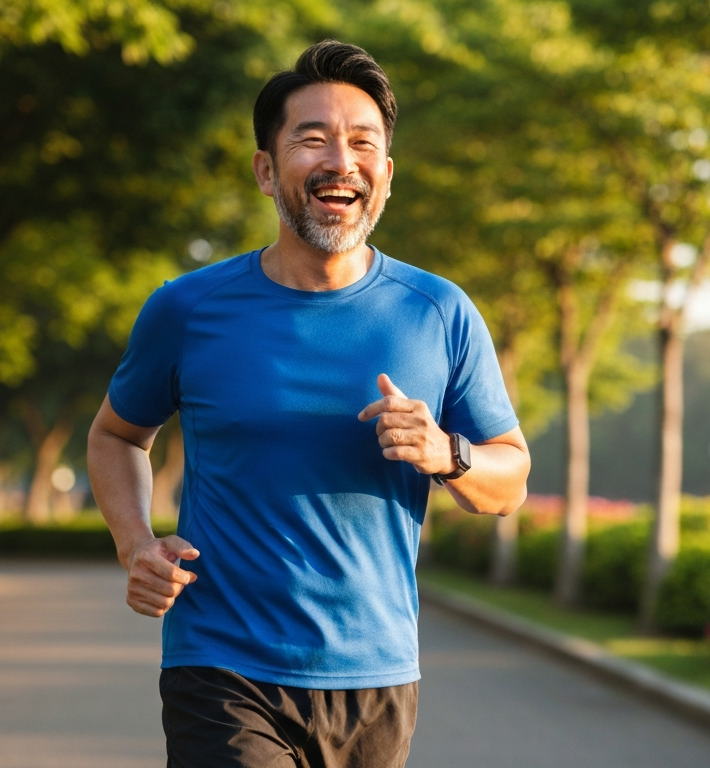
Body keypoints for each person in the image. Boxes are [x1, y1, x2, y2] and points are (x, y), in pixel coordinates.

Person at [86, 39, 531, 768]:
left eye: (363, 144)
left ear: (386, 177)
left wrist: (446, 453)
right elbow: (115, 435)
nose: (341, 161)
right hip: (220, 663)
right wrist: (135, 543)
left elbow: (508, 479)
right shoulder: (188, 308)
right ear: (266, 170)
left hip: (378, 677)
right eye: (312, 139)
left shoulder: (439, 312)